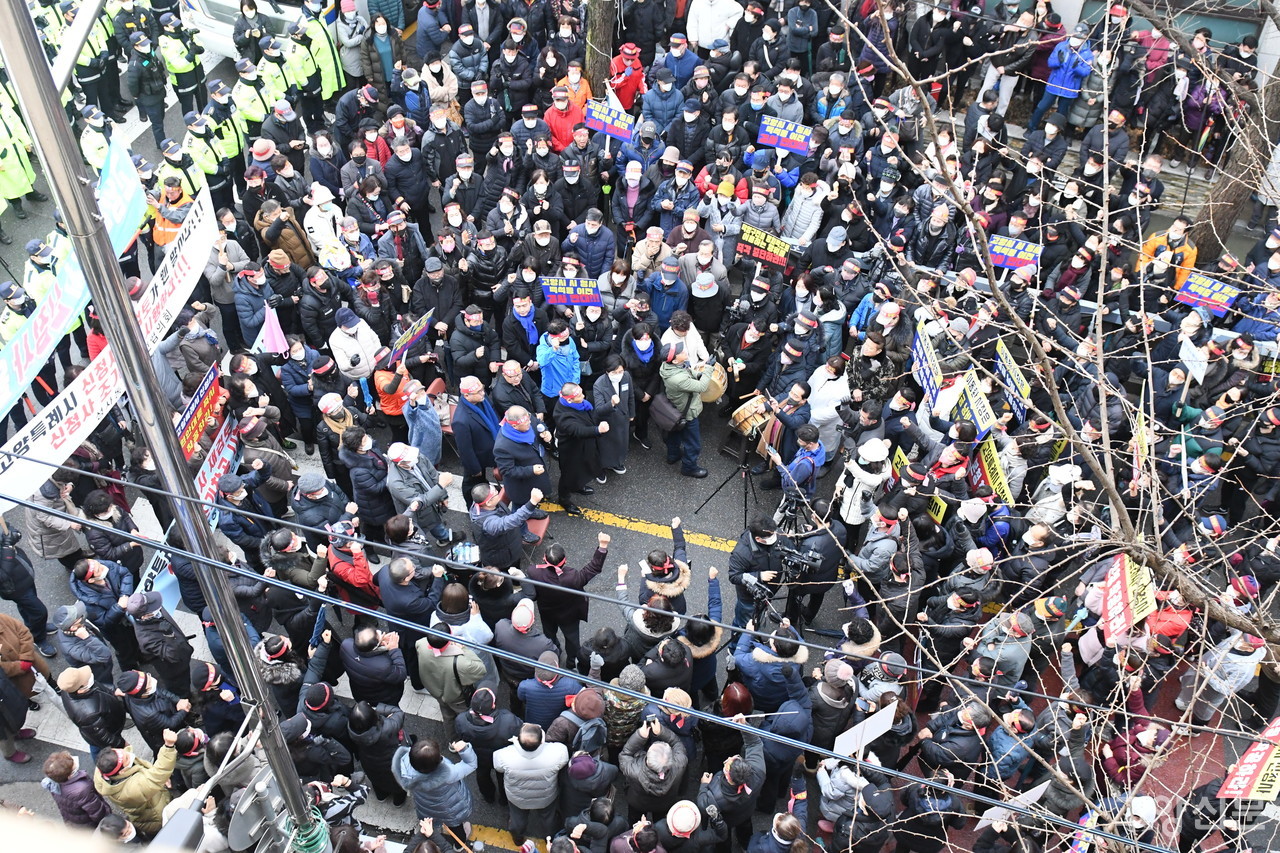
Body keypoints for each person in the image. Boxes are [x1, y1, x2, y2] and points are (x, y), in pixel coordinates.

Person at [527, 533, 609, 664]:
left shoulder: (533, 572)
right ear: (564, 561)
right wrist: (602, 546)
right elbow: (594, 567)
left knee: (549, 635)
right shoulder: (573, 577)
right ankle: (572, 662)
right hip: (569, 615)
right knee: (572, 640)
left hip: (547, 612)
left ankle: (553, 655)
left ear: (544, 558)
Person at [493, 723, 570, 846]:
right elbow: (564, 760)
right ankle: (549, 838)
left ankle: (518, 838)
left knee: (517, 819)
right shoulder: (558, 751)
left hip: (517, 797)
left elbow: (498, 767)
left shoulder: (503, 755)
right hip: (546, 796)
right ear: (541, 741)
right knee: (548, 818)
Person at [658, 342, 711, 478]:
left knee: (675, 434)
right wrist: (708, 369)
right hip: (688, 413)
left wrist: (698, 374)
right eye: (681, 352)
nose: (685, 351)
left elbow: (686, 369)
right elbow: (702, 387)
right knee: (693, 444)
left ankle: (673, 455)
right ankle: (689, 467)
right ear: (675, 360)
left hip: (676, 411)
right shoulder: (678, 379)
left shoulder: (668, 365)